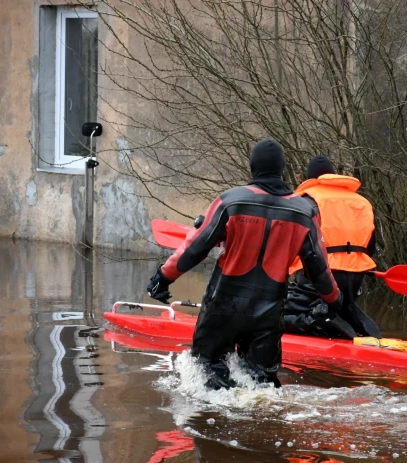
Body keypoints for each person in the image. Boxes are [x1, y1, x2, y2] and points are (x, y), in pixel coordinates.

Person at [146, 138, 342, 390]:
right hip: (268, 311)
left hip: (223, 304)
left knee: (206, 373)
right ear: (281, 169)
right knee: (261, 383)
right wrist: (333, 301)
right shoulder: (305, 211)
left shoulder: (230, 201)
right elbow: (318, 267)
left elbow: (196, 247)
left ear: (253, 168)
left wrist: (163, 277)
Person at [283, 155, 382, 340]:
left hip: (320, 277)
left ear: (310, 178)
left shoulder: (306, 200)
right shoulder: (362, 202)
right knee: (340, 303)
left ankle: (320, 318)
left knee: (273, 315)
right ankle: (342, 319)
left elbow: (292, 245)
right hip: (355, 279)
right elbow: (370, 247)